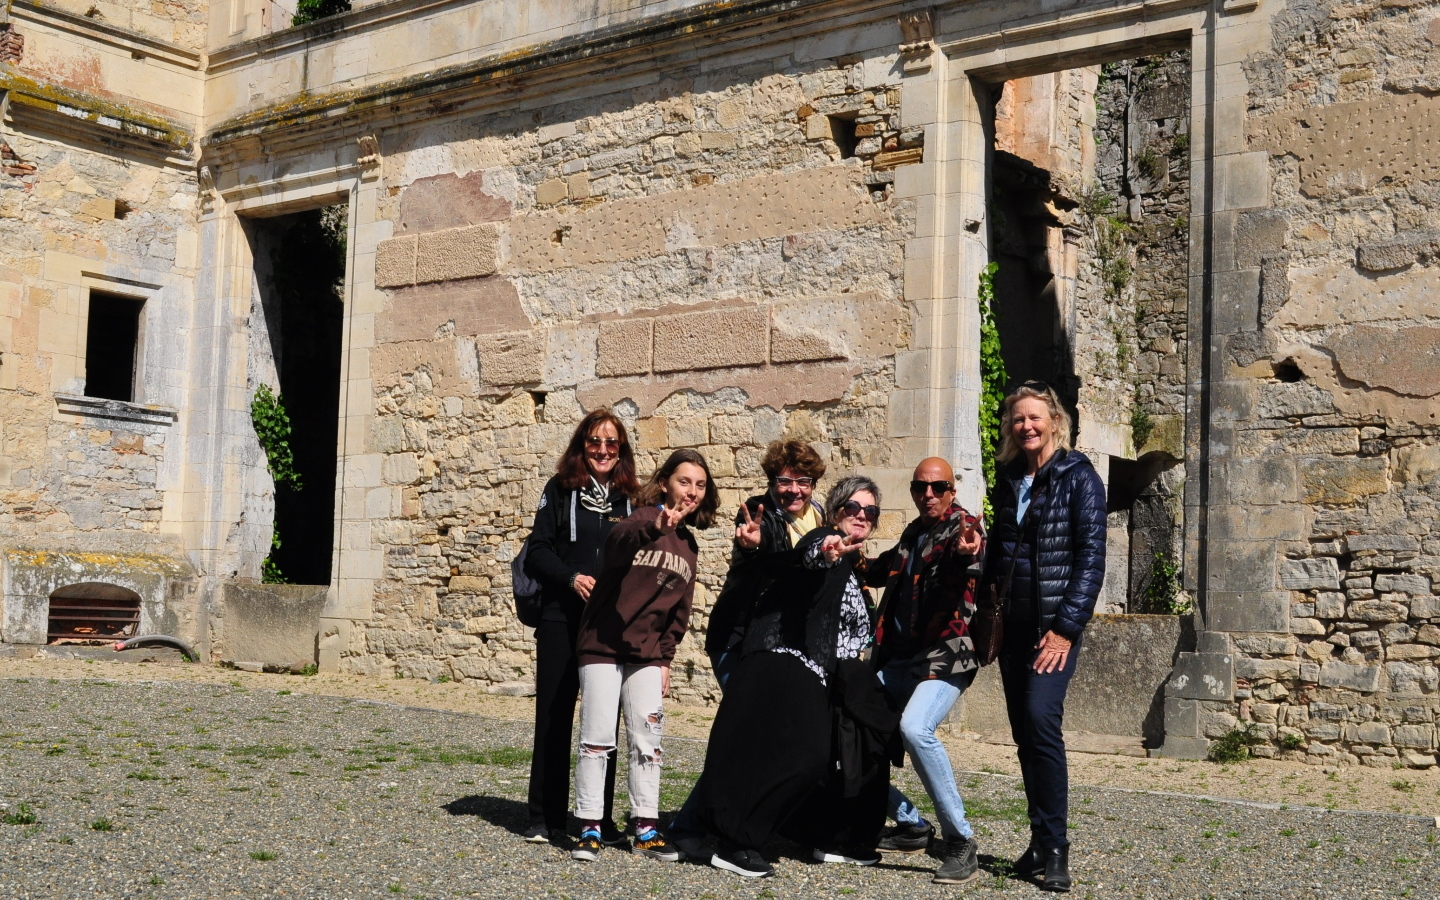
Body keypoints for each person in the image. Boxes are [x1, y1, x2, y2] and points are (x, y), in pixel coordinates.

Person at [697, 476, 885, 878]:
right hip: (788, 662)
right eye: (852, 507)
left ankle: (825, 836)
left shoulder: (855, 567)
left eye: (870, 511)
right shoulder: (824, 540)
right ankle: (737, 841)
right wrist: (827, 550)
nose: (861, 516)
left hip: (823, 673)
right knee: (802, 759)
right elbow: (811, 555)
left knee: (838, 758)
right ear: (835, 511)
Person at [666, 441, 828, 857]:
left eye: (803, 481)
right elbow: (761, 553)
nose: (794, 490)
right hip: (739, 638)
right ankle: (688, 826)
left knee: (765, 736)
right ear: (772, 481)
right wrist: (751, 546)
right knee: (747, 733)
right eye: (784, 481)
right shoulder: (757, 513)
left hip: (781, 644)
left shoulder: (819, 516)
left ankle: (752, 819)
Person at [982, 382, 1106, 893]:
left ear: (1055, 420)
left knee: (1040, 722)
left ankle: (1056, 848)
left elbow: (1091, 560)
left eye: (1034, 417)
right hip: (1012, 627)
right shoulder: (1010, 479)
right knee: (1024, 733)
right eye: (1018, 419)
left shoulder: (1080, 478)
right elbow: (1001, 552)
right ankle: (1038, 840)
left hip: (1052, 629)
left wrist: (1065, 630)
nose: (1026, 426)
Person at [569, 449, 719, 863]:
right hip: (602, 644)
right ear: (666, 483)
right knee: (597, 740)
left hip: (648, 655)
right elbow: (617, 545)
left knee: (648, 741)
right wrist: (655, 527)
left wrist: (665, 659)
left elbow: (679, 612)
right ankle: (588, 827)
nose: (691, 491)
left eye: (700, 485)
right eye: (684, 481)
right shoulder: (638, 519)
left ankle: (645, 828)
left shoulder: (688, 545)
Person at [520, 409, 639, 845]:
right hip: (561, 618)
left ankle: (598, 817)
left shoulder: (631, 499)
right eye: (594, 442)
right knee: (554, 714)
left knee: (603, 722)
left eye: (611, 443)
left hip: (608, 626)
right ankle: (544, 816)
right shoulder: (560, 489)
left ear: (621, 450)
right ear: (581, 445)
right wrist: (571, 578)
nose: (602, 450)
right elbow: (538, 551)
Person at [867, 457, 985, 884]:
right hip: (899, 659)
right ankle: (911, 824)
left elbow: (965, 558)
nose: (928, 494)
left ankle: (960, 841)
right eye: (920, 487)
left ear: (952, 490)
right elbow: (882, 569)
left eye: (938, 487)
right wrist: (846, 555)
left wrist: (966, 553)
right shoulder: (914, 532)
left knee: (916, 729)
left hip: (946, 654)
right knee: (847, 727)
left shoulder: (962, 528)